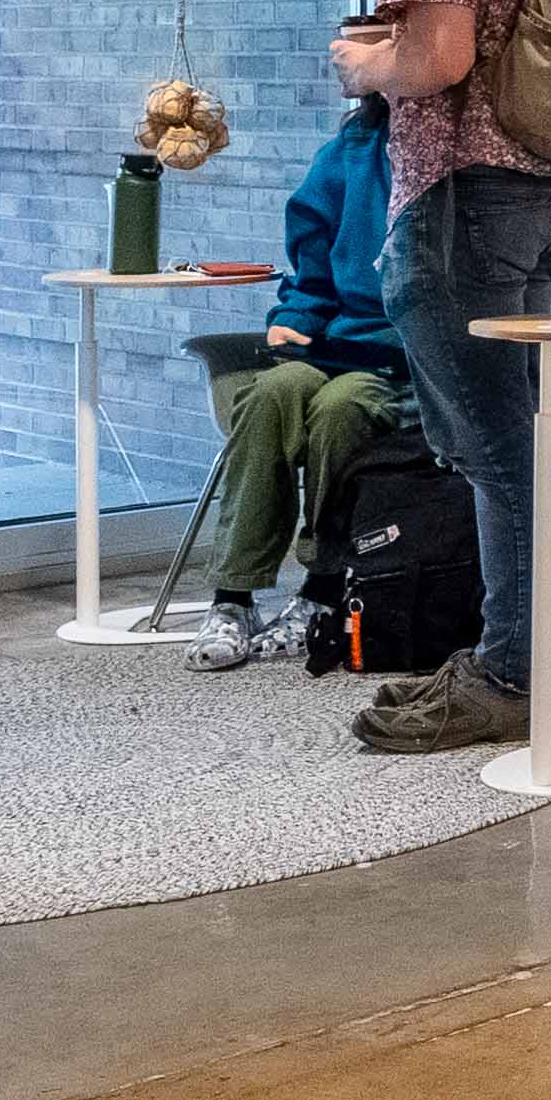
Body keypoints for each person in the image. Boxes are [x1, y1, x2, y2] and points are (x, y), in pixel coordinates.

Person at [329, 0, 551, 753]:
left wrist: (360, 67)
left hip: (460, 196)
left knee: (493, 454)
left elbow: (435, 56)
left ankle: (514, 677)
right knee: (516, 443)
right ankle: (521, 661)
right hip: (544, 188)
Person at [188, 85, 411, 669]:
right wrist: (293, 318)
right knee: (270, 393)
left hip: (402, 361)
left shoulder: (454, 157)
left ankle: (322, 588)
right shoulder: (352, 149)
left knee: (342, 408)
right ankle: (233, 599)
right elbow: (310, 267)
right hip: (332, 345)